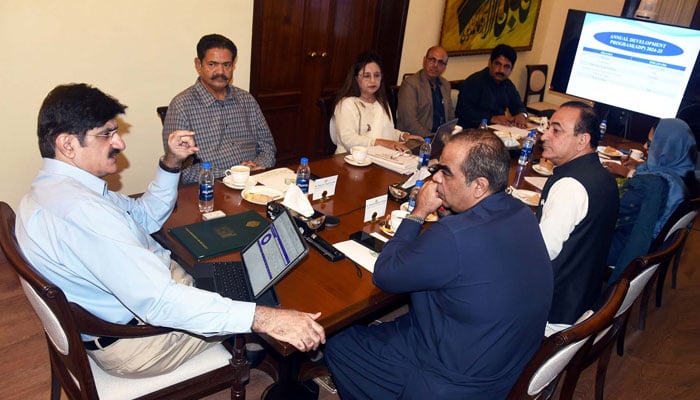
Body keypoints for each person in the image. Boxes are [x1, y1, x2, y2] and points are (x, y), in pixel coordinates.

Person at [16, 83, 324, 378]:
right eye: (107, 134)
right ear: (67, 144)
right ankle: (279, 352)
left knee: (242, 277)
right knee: (270, 298)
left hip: (127, 309)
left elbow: (145, 217)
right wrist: (265, 319)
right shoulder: (82, 211)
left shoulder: (53, 191)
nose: (119, 143)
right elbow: (160, 303)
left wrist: (172, 161)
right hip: (138, 341)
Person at [326, 130, 553, 399]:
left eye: (446, 172)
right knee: (395, 323)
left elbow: (386, 274)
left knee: (339, 344)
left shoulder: (453, 236)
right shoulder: (521, 212)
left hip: (453, 383)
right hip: (508, 365)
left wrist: (418, 213)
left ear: (479, 186)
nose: (435, 178)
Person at [537, 101, 619, 326]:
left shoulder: (570, 186)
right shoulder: (606, 178)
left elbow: (540, 252)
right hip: (584, 299)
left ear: (583, 140)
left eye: (556, 130)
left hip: (553, 311)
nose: (544, 135)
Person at [163, 33, 276, 184]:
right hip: (211, 186)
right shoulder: (181, 106)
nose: (220, 72)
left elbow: (267, 146)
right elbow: (181, 168)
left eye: (226, 65)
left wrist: (256, 167)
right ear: (198, 64)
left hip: (254, 180)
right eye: (212, 64)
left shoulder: (247, 100)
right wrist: (234, 174)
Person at [605, 118, 697, 282]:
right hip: (649, 245)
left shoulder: (652, 186)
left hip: (623, 249)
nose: (645, 147)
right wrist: (640, 165)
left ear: (666, 150)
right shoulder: (684, 173)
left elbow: (612, 211)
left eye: (651, 143)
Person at [330, 51, 422, 154]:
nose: (373, 80)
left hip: (380, 157)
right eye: (367, 76)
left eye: (377, 75)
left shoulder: (381, 102)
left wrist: (403, 136)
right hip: (350, 159)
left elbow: (385, 132)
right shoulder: (347, 104)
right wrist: (381, 143)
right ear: (356, 78)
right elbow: (348, 139)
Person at [455, 44, 528, 129]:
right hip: (474, 131)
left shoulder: (508, 84)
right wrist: (491, 118)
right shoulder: (473, 82)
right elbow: (463, 112)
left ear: (511, 69)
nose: (501, 70)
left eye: (506, 67)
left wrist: (522, 115)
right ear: (490, 63)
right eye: (498, 64)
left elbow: (518, 106)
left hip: (499, 130)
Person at [396, 46, 455, 137]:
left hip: (441, 139)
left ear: (444, 67)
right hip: (416, 138)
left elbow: (450, 117)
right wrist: (431, 138)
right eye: (432, 60)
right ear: (424, 60)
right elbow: (409, 123)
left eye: (440, 62)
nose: (435, 65)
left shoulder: (445, 84)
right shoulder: (411, 84)